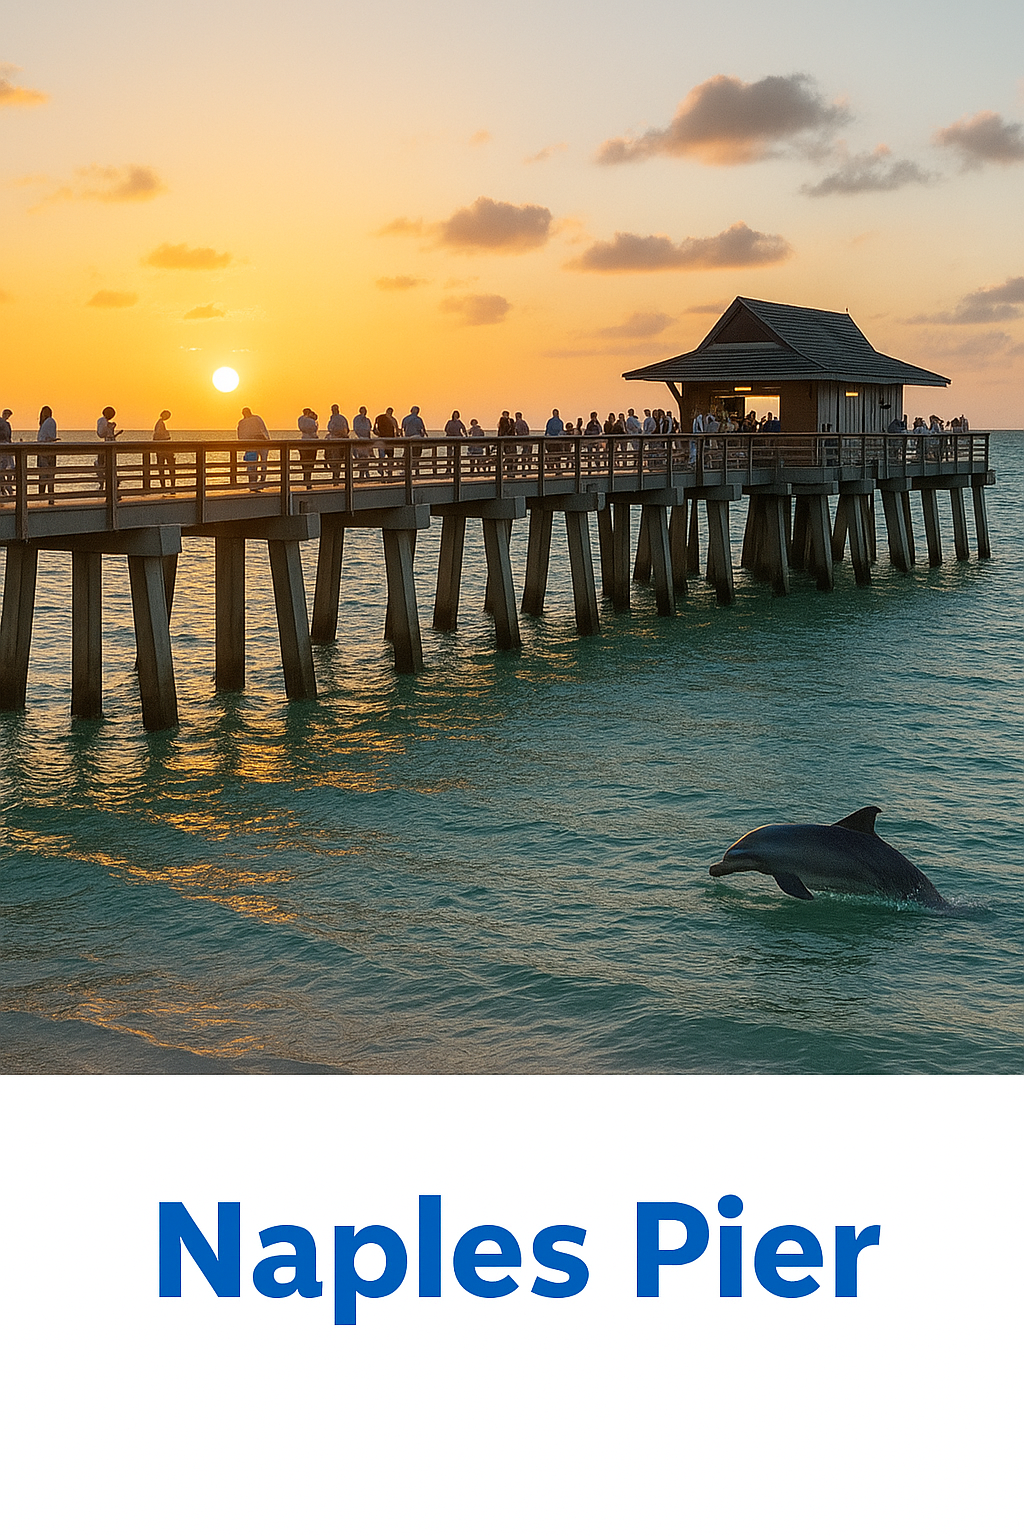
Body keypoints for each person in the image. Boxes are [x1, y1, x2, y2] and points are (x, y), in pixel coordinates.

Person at [237, 405, 270, 487]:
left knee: (255, 463)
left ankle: (255, 481)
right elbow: (263, 429)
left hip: (253, 443)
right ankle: (258, 481)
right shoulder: (254, 419)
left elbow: (240, 435)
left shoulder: (243, 422)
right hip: (259, 442)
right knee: (261, 462)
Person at [95, 405, 121, 493]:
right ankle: (110, 483)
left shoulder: (102, 421)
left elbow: (102, 434)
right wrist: (110, 428)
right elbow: (102, 433)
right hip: (109, 445)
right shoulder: (103, 421)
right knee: (104, 464)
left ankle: (106, 484)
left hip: (108, 444)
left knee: (104, 465)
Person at [37, 406, 58, 504]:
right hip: (49, 451)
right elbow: (52, 436)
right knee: (50, 475)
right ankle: (50, 497)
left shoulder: (43, 424)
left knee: (43, 474)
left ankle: (42, 495)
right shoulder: (51, 421)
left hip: (41, 451)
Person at [326, 404, 350, 483]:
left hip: (336, 441)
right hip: (342, 441)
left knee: (335, 460)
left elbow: (331, 429)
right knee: (338, 461)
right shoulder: (342, 418)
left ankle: (335, 477)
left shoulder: (335, 419)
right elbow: (347, 429)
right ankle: (336, 477)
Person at [297, 407, 319, 489]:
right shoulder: (311, 421)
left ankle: (306, 479)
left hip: (304, 441)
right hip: (311, 442)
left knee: (304, 461)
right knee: (310, 462)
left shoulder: (300, 420)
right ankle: (308, 480)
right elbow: (314, 429)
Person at [153, 409, 175, 491]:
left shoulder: (160, 423)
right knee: (167, 466)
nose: (167, 417)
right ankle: (168, 487)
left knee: (162, 467)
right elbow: (158, 434)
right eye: (167, 415)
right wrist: (166, 437)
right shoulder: (160, 423)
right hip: (163, 448)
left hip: (162, 447)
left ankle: (165, 487)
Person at [402, 405, 427, 473]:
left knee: (407, 455)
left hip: (407, 439)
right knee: (417, 455)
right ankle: (416, 471)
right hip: (417, 439)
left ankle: (406, 470)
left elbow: (403, 429)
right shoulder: (418, 419)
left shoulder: (405, 419)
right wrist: (425, 435)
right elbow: (422, 430)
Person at [374, 406, 400, 473]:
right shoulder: (381, 418)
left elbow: (396, 430)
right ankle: (384, 473)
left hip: (388, 441)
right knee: (386, 458)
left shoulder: (391, 419)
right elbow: (374, 428)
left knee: (388, 457)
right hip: (385, 440)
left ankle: (388, 473)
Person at [352, 405, 373, 478]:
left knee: (366, 458)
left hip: (366, 440)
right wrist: (360, 437)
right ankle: (362, 474)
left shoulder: (367, 420)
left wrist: (370, 443)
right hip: (360, 440)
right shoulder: (357, 419)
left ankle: (366, 474)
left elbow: (369, 431)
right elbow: (356, 429)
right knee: (361, 458)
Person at [0, 408, 14, 498]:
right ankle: (5, 486)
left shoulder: (6, 424)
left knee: (9, 467)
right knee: (4, 467)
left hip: (6, 447)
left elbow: (9, 437)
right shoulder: (3, 423)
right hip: (4, 447)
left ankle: (6, 486)